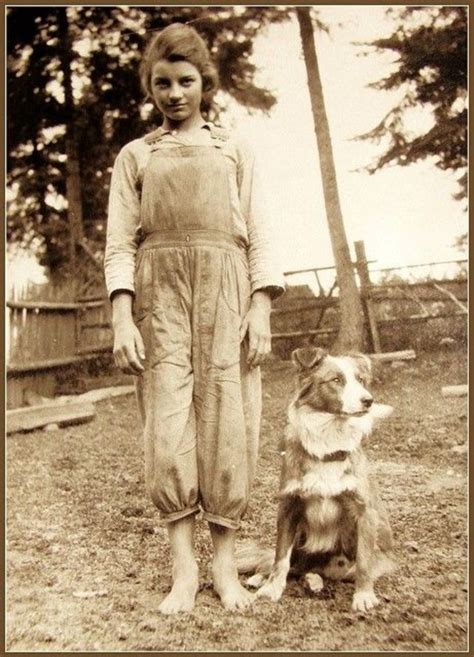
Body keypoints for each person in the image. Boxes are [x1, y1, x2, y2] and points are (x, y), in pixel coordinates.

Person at [104, 22, 284, 614]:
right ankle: (184, 571)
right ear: (150, 88)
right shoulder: (135, 155)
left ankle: (226, 567)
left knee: (229, 423)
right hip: (161, 300)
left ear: (205, 84)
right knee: (167, 427)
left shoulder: (234, 147)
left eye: (186, 81)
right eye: (162, 83)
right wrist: (123, 318)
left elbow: (260, 231)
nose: (174, 93)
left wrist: (260, 307)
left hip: (227, 292)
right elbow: (118, 246)